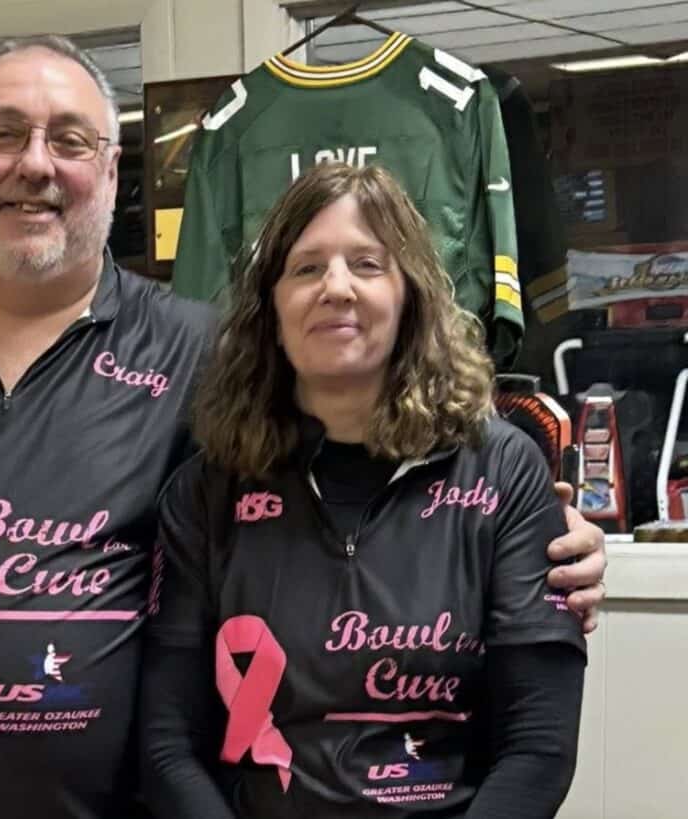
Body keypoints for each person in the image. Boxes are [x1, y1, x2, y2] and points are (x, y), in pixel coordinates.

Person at [0, 36, 603, 819]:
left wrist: (548, 544)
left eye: (71, 139)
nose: (36, 163)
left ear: (110, 172)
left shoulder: (212, 362)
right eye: (1, 133)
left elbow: (402, 471)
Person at [142, 163, 588, 819]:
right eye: (306, 267)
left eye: (368, 264)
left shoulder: (503, 471)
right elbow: (166, 745)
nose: (337, 288)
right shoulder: (206, 490)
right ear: (269, 304)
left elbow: (539, 746)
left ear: (410, 293)